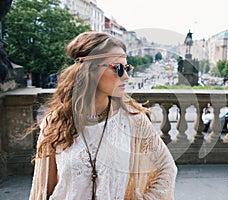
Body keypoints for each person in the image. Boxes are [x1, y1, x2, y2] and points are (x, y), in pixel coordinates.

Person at [25, 31, 177, 200]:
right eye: (118, 68)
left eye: (126, 68)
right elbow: (44, 188)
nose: (126, 76)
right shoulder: (55, 122)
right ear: (89, 69)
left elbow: (166, 168)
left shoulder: (134, 121)